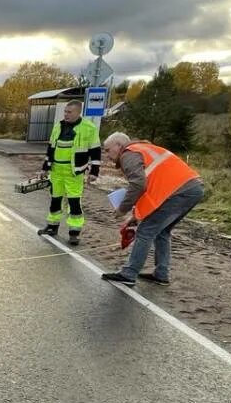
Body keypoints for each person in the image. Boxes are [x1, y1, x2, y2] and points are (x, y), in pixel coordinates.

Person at [99, 133, 205, 286]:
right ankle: (161, 274)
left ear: (119, 146)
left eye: (108, 150)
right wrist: (135, 215)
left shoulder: (128, 154)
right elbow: (150, 190)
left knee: (145, 231)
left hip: (178, 192)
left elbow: (137, 185)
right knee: (162, 232)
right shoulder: (143, 149)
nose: (107, 155)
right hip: (191, 188)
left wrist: (123, 209)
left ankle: (129, 273)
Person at [36, 100, 101, 246]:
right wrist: (45, 168)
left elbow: (96, 151)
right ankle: (52, 226)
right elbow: (51, 149)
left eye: (69, 112)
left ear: (78, 112)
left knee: (74, 202)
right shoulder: (58, 126)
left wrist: (94, 171)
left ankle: (74, 233)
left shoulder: (89, 128)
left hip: (74, 172)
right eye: (65, 111)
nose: (66, 114)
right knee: (55, 199)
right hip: (57, 170)